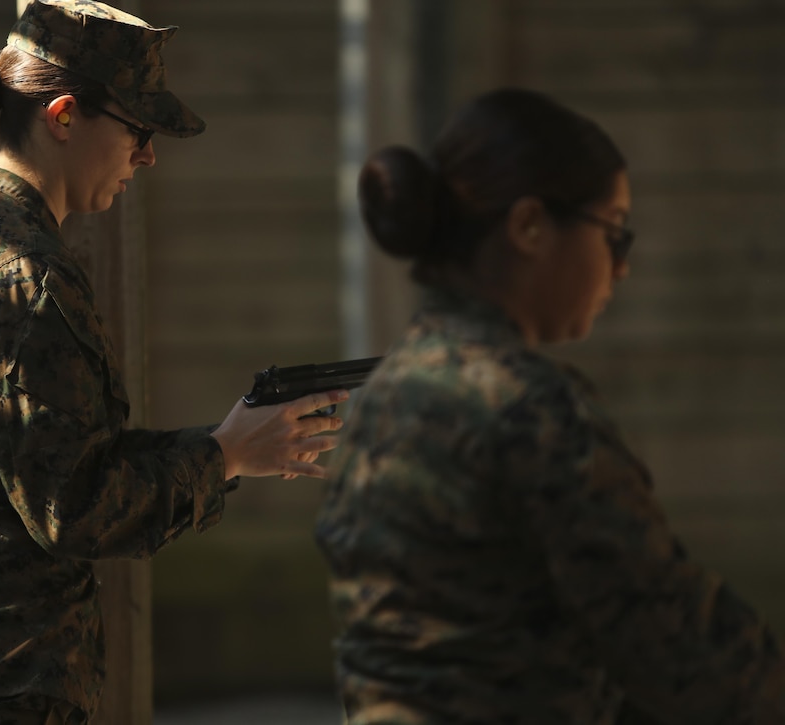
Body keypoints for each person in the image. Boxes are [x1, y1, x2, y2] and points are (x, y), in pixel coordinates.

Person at [0, 2, 345, 723]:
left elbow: (48, 462)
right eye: (138, 130)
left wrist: (229, 446)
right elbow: (71, 507)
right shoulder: (26, 272)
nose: (148, 155)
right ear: (65, 116)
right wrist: (222, 457)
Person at [314, 87, 785, 724]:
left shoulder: (388, 394)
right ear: (530, 226)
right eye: (613, 232)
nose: (620, 268)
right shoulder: (527, 409)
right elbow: (673, 648)